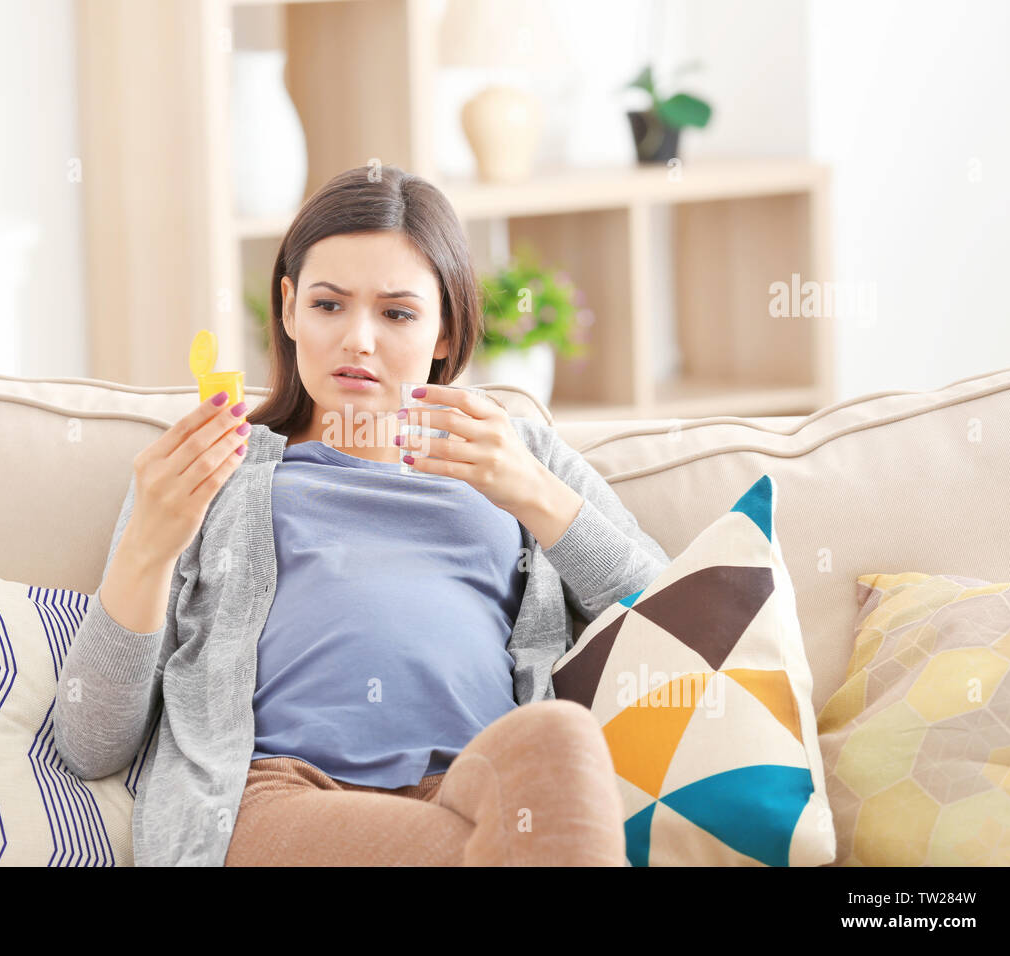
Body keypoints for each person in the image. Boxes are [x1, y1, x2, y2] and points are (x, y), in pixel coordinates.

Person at [53, 165, 671, 866]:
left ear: (445, 331)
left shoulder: (519, 451)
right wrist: (148, 549)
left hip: (476, 786)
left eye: (397, 313)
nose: (359, 340)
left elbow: (676, 622)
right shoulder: (208, 470)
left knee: (559, 738)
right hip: (283, 800)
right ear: (288, 309)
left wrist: (533, 494)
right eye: (328, 305)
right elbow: (89, 741)